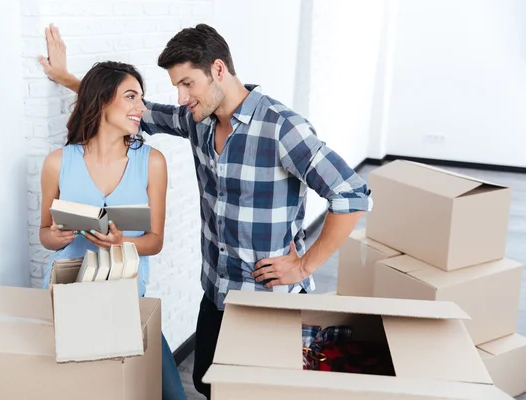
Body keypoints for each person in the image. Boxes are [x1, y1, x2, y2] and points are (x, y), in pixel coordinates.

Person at [39, 23, 373, 399]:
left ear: (217, 70)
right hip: (216, 292)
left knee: (251, 393)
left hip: (264, 301)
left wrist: (305, 265)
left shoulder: (282, 129)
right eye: (177, 87)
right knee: (206, 383)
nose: (181, 97)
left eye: (187, 84)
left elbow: (352, 194)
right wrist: (68, 78)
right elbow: (128, 110)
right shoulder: (198, 122)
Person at [38, 59, 187, 400]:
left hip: (128, 299)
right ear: (103, 100)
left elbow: (155, 241)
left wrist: (122, 242)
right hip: (73, 300)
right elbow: (45, 234)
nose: (141, 108)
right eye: (132, 97)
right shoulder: (58, 162)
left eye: (141, 98)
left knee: (172, 394)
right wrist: (57, 236)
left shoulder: (152, 162)